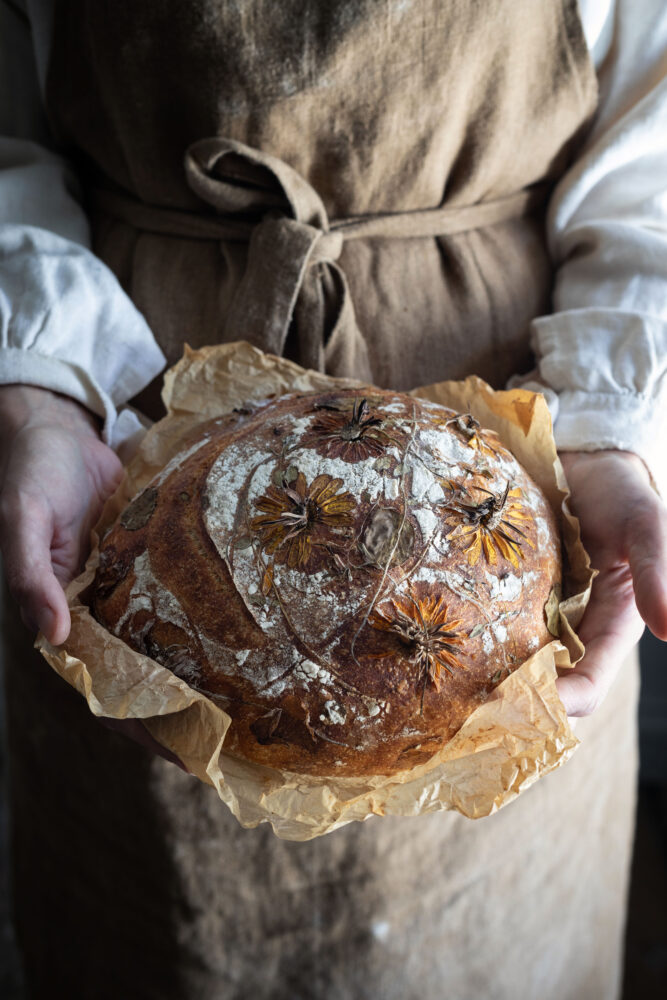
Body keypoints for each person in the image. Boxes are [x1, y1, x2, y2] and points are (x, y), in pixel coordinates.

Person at [1, 1, 666, 997]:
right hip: (127, 413)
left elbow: (651, 150)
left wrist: (609, 433)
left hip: (533, 428)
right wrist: (40, 388)